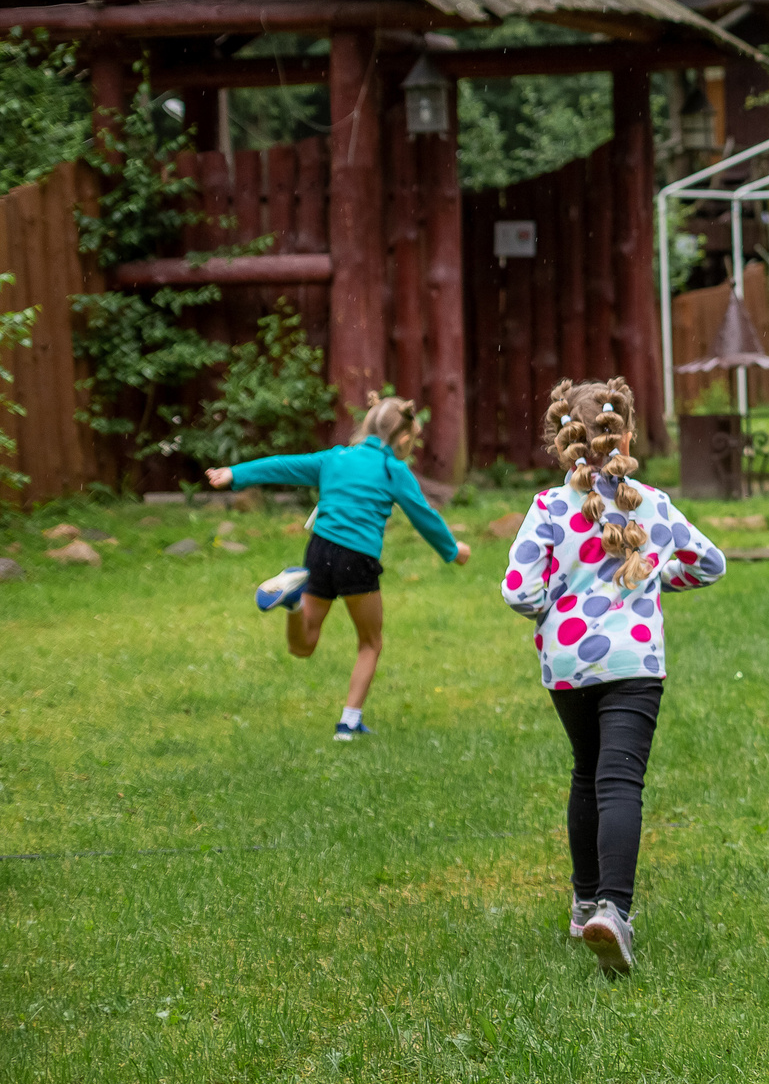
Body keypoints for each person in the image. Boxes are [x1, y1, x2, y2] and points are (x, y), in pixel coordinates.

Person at [500, 377, 727, 976]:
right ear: (625, 435)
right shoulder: (653, 503)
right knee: (619, 781)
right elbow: (710, 563)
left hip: (567, 666)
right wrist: (653, 578)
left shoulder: (548, 508)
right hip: (635, 661)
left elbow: (517, 590)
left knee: (586, 771)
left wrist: (556, 605)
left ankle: (583, 903)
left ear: (564, 439)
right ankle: (614, 912)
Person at [207, 392, 468, 741]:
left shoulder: (336, 458)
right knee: (370, 642)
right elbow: (424, 516)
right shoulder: (394, 469)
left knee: (303, 646)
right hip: (356, 558)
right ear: (404, 438)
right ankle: (348, 723)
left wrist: (234, 474)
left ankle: (293, 601)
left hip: (319, 550)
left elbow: (284, 465)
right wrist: (453, 551)